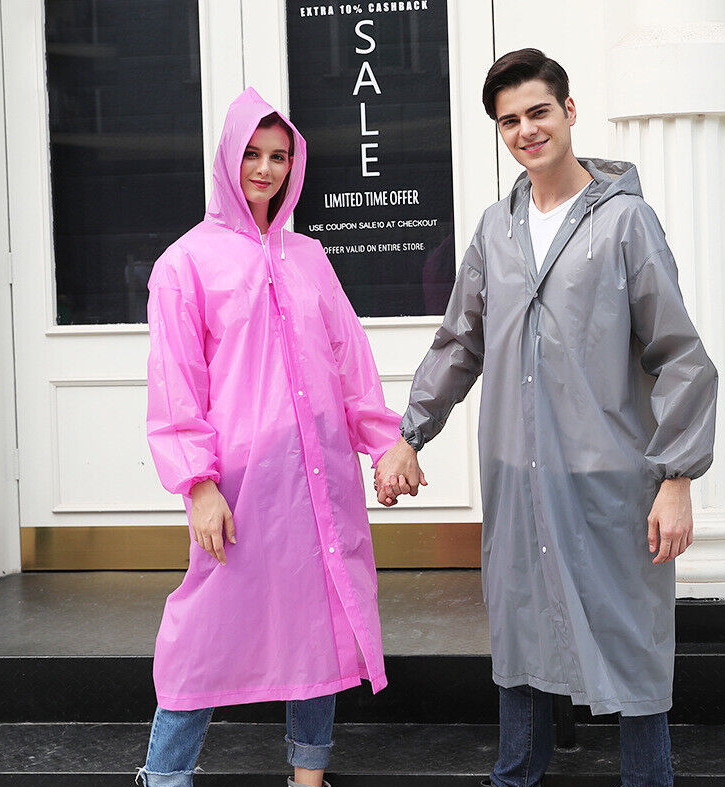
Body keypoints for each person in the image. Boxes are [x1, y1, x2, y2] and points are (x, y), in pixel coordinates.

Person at [375, 49, 718, 787]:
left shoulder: (626, 223)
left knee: (630, 638)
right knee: (522, 629)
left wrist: (678, 477)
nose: (526, 130)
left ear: (569, 111)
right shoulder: (495, 230)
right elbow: (460, 342)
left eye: (538, 112)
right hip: (515, 470)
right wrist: (409, 433)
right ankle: (516, 776)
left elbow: (680, 354)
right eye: (510, 121)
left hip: (608, 476)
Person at [137, 86, 402, 787]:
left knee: (319, 622)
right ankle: (164, 775)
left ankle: (308, 775)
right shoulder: (185, 264)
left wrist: (385, 444)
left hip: (320, 479)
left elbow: (350, 361)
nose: (264, 168)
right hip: (241, 486)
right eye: (252, 153)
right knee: (200, 633)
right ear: (227, 157)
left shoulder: (309, 256)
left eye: (279, 156)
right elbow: (175, 387)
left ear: (294, 163)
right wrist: (198, 485)